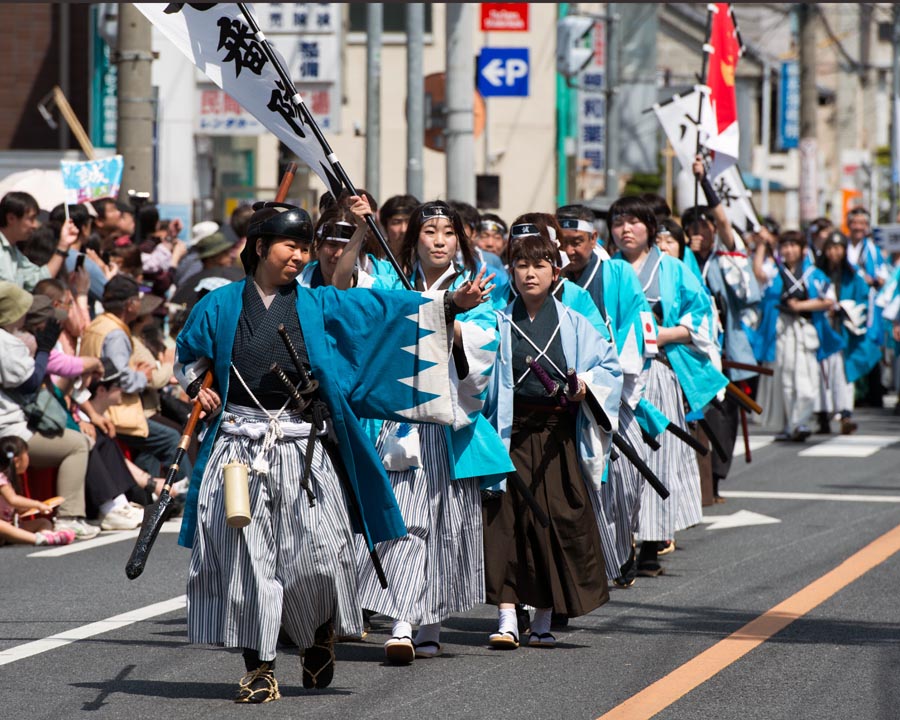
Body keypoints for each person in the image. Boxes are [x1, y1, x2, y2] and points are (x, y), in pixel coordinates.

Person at [174, 200, 494, 702]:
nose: (300, 257)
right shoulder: (218, 305)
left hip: (302, 445)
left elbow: (380, 313)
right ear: (260, 248)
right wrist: (198, 387)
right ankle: (260, 666)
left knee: (320, 554)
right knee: (248, 559)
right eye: (290, 246)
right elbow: (188, 355)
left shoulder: (318, 304)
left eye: (305, 248)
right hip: (239, 446)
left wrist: (448, 306)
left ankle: (318, 631)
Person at [350, 200, 512, 664]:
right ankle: (402, 622)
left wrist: (451, 314)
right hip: (399, 421)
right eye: (429, 232)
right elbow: (354, 296)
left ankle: (432, 625)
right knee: (405, 521)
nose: (438, 241)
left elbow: (484, 349)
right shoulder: (388, 281)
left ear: (460, 240)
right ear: (413, 238)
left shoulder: (476, 286)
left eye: (447, 233)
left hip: (448, 423)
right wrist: (362, 229)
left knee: (443, 525)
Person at [482, 231, 621, 649]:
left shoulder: (575, 323)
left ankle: (543, 614)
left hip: (557, 435)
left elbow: (609, 369)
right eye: (521, 265)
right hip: (511, 434)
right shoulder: (496, 320)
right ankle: (507, 615)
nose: (529, 273)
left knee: (556, 520)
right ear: (511, 271)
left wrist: (586, 386)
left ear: (555, 272)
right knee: (507, 523)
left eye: (539, 265)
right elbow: (475, 378)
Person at [608, 196, 727, 576]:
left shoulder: (673, 268)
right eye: (618, 222)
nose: (626, 229)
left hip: (656, 371)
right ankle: (618, 544)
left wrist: (664, 334)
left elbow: (702, 315)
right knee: (617, 458)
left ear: (650, 229)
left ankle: (650, 544)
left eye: (634, 222)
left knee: (656, 456)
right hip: (611, 375)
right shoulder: (605, 270)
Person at [0, 281, 98, 540]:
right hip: (9, 431)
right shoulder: (5, 342)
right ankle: (69, 517)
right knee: (77, 443)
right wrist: (44, 350)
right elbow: (30, 383)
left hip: (10, 425)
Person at [80, 275, 191, 485]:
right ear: (130, 304)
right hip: (115, 409)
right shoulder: (115, 334)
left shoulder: (98, 324)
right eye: (138, 299)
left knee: (150, 446)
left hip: (101, 405)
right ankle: (183, 498)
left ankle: (150, 499)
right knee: (171, 440)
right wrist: (142, 376)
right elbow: (121, 377)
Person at [749, 231, 836, 441]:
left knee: (807, 378)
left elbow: (829, 300)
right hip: (783, 328)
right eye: (785, 246)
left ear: (803, 249)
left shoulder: (814, 273)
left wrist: (802, 305)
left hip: (806, 328)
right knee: (786, 376)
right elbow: (758, 273)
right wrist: (762, 245)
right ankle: (792, 424)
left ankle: (802, 420)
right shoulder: (776, 272)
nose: (788, 250)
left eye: (793, 245)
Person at [814, 230, 882, 434]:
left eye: (838, 248)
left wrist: (845, 308)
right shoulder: (817, 273)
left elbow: (863, 298)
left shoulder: (853, 276)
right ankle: (822, 415)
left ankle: (845, 413)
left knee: (843, 373)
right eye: (830, 248)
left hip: (844, 329)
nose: (834, 253)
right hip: (823, 328)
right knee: (822, 373)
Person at [0, 436, 76, 547]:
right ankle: (38, 539)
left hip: (11, 526)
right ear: (17, 461)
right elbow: (12, 500)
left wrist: (29, 509)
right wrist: (37, 504)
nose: (28, 458)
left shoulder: (11, 480)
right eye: (26, 454)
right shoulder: (1, 479)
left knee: (43, 522)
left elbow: (12, 507)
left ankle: (47, 535)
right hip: (3, 527)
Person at [0, 191, 78, 290]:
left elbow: (38, 280)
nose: (35, 225)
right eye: (31, 219)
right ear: (11, 218)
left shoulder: (14, 253)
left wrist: (63, 246)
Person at [170, 231, 243, 311]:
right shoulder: (228, 278)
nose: (231, 256)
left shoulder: (190, 280)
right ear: (213, 258)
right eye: (225, 253)